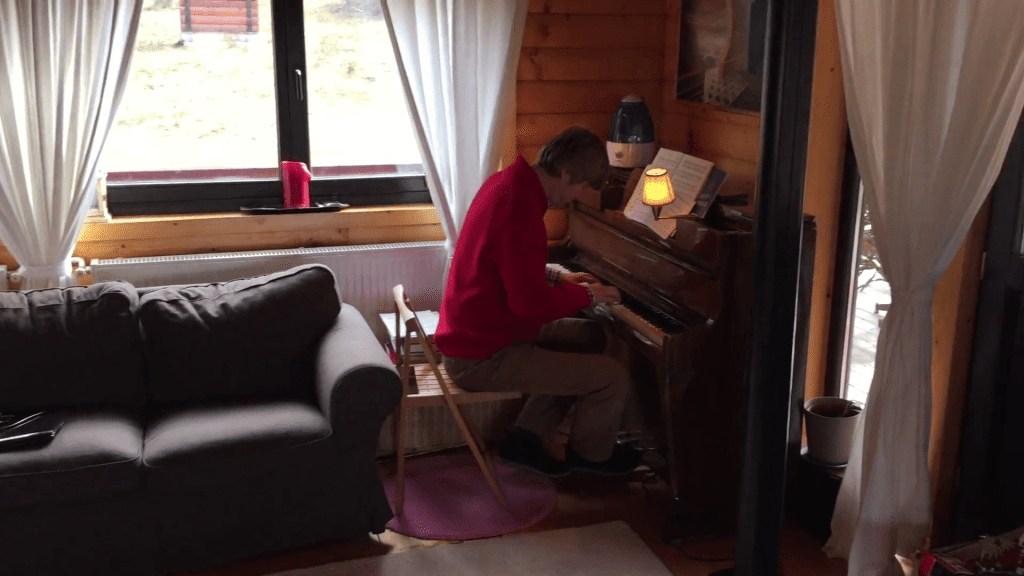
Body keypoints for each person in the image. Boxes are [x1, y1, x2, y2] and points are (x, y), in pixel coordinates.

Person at [434, 127, 643, 478]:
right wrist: (588, 294)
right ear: (564, 173)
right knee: (611, 377)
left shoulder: (507, 183)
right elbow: (528, 306)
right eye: (580, 187)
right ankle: (591, 461)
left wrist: (559, 278)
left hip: (481, 330)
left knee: (591, 337)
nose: (577, 198)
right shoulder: (520, 206)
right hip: (481, 354)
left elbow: (509, 266)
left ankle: (526, 440)